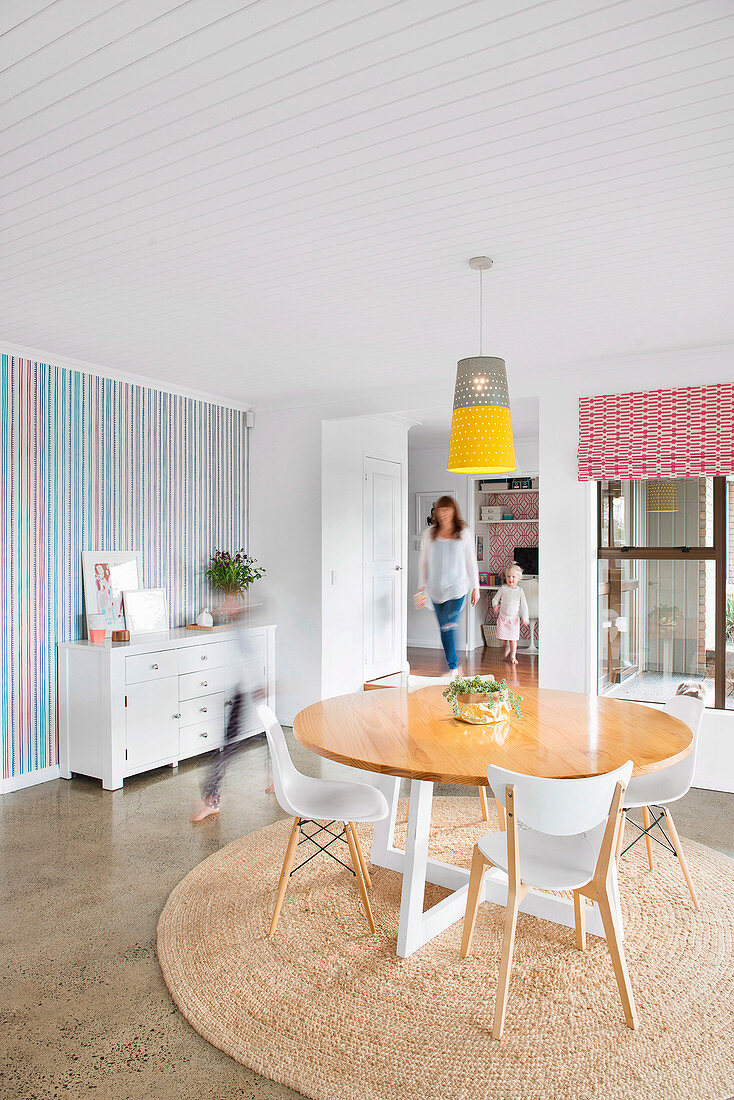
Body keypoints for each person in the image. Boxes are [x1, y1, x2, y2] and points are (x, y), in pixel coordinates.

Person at [415, 496, 479, 676]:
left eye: (446, 510)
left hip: (457, 588)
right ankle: (454, 666)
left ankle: (453, 667)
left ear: (453, 511)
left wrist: (476, 586)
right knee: (444, 626)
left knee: (449, 624)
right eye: (439, 510)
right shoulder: (429, 534)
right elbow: (424, 561)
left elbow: (470, 560)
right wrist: (422, 586)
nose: (442, 514)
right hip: (436, 590)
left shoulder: (463, 532)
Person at [492, 562, 529, 665]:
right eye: (508, 576)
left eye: (513, 577)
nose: (510, 579)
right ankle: (507, 644)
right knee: (502, 638)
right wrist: (495, 605)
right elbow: (495, 599)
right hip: (503, 618)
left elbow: (524, 606)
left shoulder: (520, 591)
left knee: (513, 639)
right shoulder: (503, 589)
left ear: (519, 579)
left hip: (514, 619)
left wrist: (525, 618)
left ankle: (513, 656)